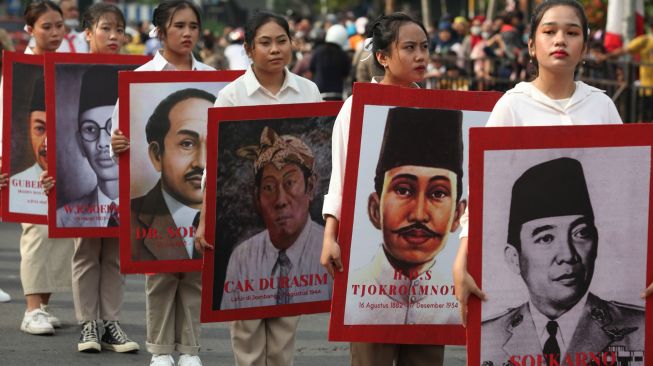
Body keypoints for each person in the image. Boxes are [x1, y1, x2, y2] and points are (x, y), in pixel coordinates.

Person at [452, 0, 631, 331]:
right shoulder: (513, 106)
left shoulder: (602, 106)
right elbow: (484, 190)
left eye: (571, 32)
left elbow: (627, 189)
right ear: (532, 46)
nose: (560, 40)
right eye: (549, 32)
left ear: (585, 47)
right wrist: (463, 254)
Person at [193, 11, 322, 366]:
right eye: (265, 43)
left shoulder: (307, 90)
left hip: (294, 231)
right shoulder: (232, 95)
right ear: (249, 49)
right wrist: (206, 218)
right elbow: (214, 167)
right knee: (247, 325)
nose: (275, 49)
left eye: (281, 41)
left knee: (285, 322)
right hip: (247, 228)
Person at [320, 12, 448, 366]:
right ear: (383, 57)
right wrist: (331, 235)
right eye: (409, 48)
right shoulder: (356, 108)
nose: (421, 56)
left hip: (432, 275)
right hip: (367, 257)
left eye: (424, 47)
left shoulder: (440, 109)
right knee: (370, 353)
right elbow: (342, 177)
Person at [111, 1, 214, 365]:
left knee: (195, 279)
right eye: (178, 26)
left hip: (207, 207)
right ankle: (160, 350)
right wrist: (118, 144)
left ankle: (188, 349)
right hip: (158, 217)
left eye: (193, 26)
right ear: (159, 30)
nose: (187, 33)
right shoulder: (141, 77)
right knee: (160, 278)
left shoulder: (213, 76)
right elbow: (117, 133)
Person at [40, 3, 140, 353]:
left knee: (114, 254)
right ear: (87, 32)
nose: (113, 37)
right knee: (85, 251)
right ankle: (88, 325)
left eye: (119, 30)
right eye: (105, 29)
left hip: (129, 187)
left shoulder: (138, 73)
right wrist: (48, 172)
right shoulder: (73, 208)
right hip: (85, 214)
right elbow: (49, 134)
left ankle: (111, 323)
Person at [481, 157, 644, 365]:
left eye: (580, 233)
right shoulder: (488, 336)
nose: (568, 255)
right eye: (546, 238)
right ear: (514, 258)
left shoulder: (642, 329)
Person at [344, 107, 465, 325]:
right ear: (374, 209)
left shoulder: (457, 310)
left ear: (458, 215)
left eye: (438, 193)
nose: (419, 214)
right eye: (403, 190)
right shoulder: (350, 304)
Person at [0, 0, 75, 336]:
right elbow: (6, 118)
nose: (56, 32)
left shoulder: (67, 63)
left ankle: (43, 305)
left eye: (59, 25)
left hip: (64, 159)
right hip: (27, 163)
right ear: (29, 30)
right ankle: (30, 309)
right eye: (47, 26)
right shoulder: (19, 68)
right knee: (37, 230)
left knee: (60, 232)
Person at [220, 126, 331, 310]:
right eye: (269, 187)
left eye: (290, 183)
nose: (280, 201)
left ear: (310, 187)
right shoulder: (242, 259)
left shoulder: (330, 252)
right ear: (257, 197)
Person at [130, 88, 215, 262]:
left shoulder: (241, 222)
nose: (202, 163)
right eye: (187, 144)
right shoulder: (130, 219)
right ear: (157, 155)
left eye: (214, 143)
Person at [309, 24, 351, 101]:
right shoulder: (343, 55)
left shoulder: (318, 51)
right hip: (337, 93)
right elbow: (346, 74)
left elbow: (311, 70)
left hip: (319, 92)